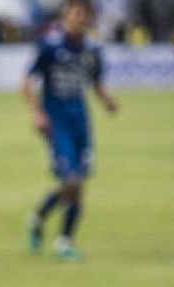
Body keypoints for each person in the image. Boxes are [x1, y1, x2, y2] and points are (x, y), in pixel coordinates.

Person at [21, 0, 118, 261]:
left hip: (81, 124)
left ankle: (40, 220)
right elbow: (28, 81)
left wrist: (107, 99)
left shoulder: (92, 49)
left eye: (81, 14)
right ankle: (63, 241)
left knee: (77, 186)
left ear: (86, 18)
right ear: (65, 16)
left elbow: (95, 80)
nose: (76, 18)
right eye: (72, 14)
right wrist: (37, 114)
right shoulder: (50, 45)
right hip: (57, 124)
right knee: (72, 181)